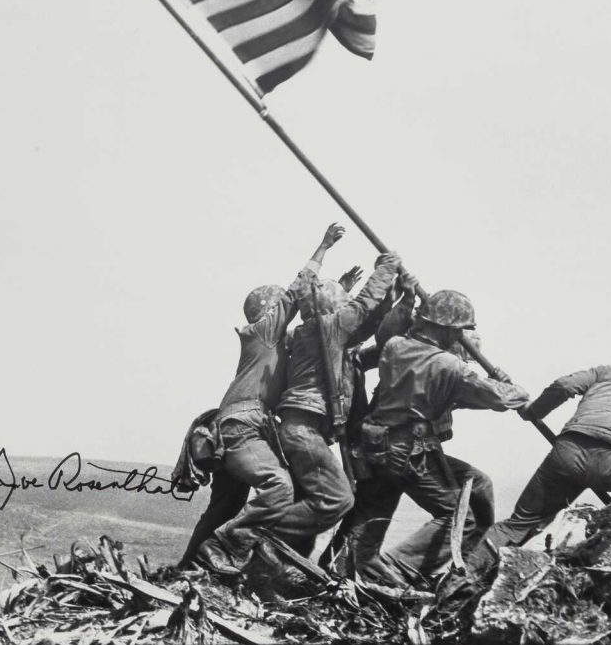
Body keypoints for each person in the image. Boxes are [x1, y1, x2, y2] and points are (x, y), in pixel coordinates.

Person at [342, 290, 530, 585]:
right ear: (445, 328)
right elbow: (498, 399)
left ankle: (351, 570)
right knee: (460, 518)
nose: (459, 337)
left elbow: (440, 391)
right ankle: (398, 570)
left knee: (475, 486)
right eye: (457, 331)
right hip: (409, 451)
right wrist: (514, 388)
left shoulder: (395, 346)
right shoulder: (449, 365)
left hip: (377, 445)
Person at [192, 223, 347, 573]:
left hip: (244, 428)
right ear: (270, 311)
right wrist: (323, 247)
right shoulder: (261, 333)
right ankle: (228, 547)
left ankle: (190, 568)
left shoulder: (274, 344)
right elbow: (296, 293)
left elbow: (311, 321)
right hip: (241, 427)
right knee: (279, 486)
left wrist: (334, 295)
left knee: (223, 509)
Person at [465, 357, 611, 577]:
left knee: (517, 524)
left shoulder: (609, 372)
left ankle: (463, 572)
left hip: (565, 455)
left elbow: (564, 385)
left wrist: (535, 411)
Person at [273, 250, 405, 546]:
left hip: (302, 429)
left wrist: (390, 301)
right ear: (332, 308)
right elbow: (363, 304)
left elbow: (365, 325)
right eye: (342, 303)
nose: (347, 308)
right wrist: (387, 266)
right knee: (338, 499)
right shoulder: (329, 328)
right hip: (304, 430)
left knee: (310, 504)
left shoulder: (314, 333)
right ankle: (254, 530)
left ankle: (273, 558)